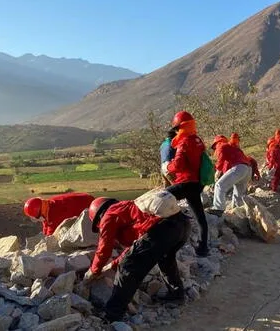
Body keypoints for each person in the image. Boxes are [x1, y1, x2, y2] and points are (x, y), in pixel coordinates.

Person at [84, 196, 190, 322]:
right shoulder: (126, 207)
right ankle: (176, 295)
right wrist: (112, 265)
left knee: (128, 267)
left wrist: (94, 271)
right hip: (182, 224)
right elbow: (134, 249)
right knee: (166, 259)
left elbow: (103, 250)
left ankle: (112, 315)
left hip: (163, 229)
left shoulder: (109, 215)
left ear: (98, 217)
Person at [165, 111, 209, 257]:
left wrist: (168, 166)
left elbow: (178, 165)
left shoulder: (184, 142)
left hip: (186, 182)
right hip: (197, 183)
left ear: (179, 128)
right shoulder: (197, 140)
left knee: (160, 199)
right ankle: (203, 248)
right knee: (199, 216)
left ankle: (166, 240)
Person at [210, 135, 252, 213]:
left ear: (217, 143)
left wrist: (217, 173)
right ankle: (239, 212)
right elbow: (228, 166)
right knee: (238, 193)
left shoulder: (221, 146)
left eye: (214, 147)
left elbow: (220, 161)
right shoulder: (232, 147)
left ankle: (218, 209)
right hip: (248, 169)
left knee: (219, 186)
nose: (215, 149)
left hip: (239, 168)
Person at [23, 192, 94, 236]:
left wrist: (46, 241)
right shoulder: (47, 205)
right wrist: (44, 234)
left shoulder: (55, 214)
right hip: (85, 198)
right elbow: (45, 221)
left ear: (39, 214)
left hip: (90, 206)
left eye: (35, 217)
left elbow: (52, 235)